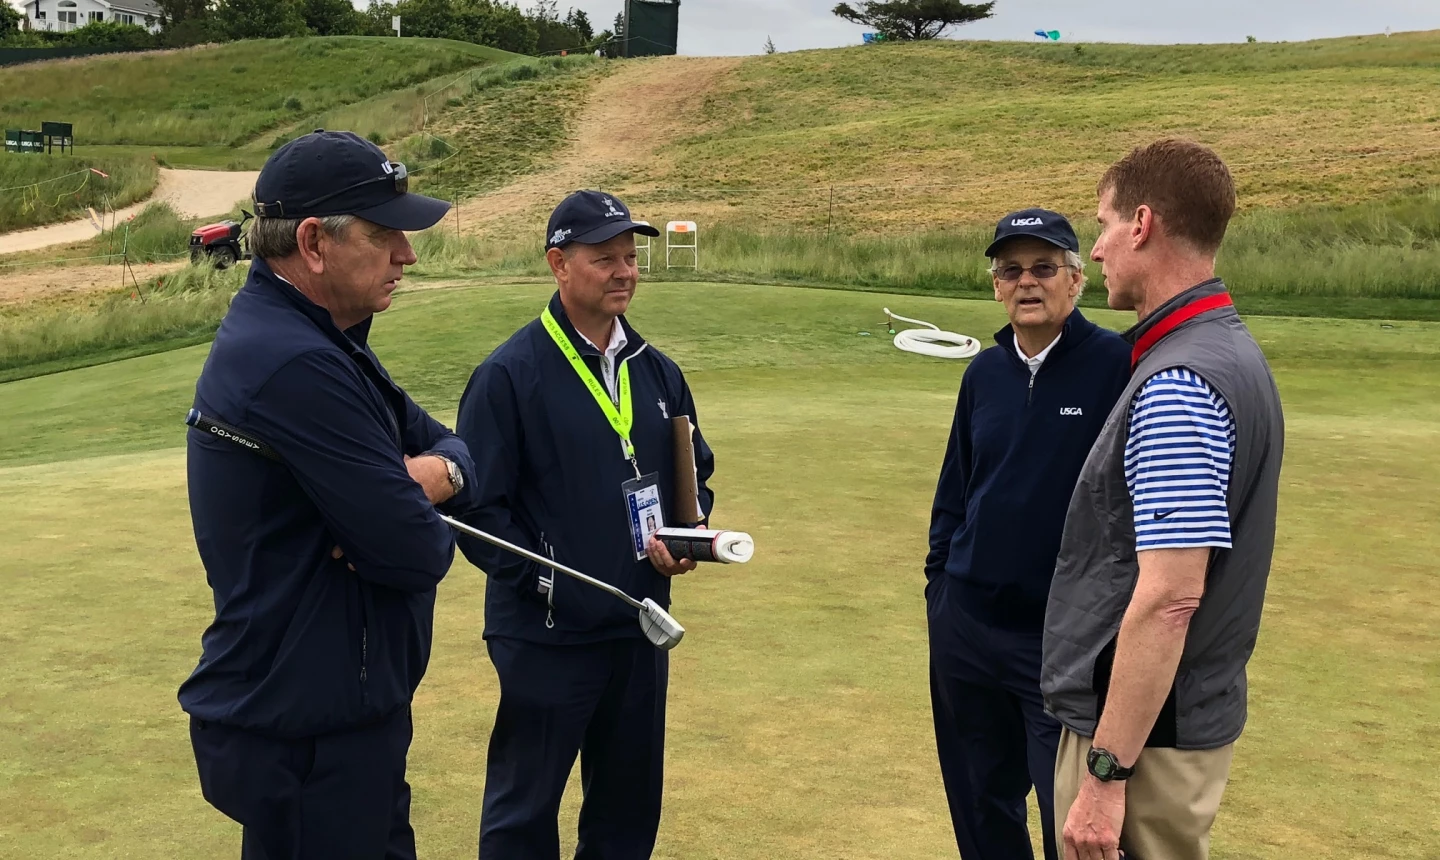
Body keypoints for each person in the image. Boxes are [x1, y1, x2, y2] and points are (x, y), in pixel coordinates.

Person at [180, 129, 476, 860]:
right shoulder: (293, 363)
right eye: (384, 235)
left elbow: (461, 446)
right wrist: (413, 500)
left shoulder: (330, 341)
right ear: (313, 242)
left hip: (341, 712)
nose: (407, 254)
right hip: (308, 734)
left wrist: (429, 476)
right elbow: (415, 550)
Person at [453, 189, 715, 860]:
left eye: (631, 257)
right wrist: (547, 583)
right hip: (546, 637)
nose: (625, 271)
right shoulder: (510, 375)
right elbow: (477, 509)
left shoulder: (657, 371)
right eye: (605, 258)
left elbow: (693, 472)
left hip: (639, 624)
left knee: (627, 811)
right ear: (558, 264)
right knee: (523, 815)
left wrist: (689, 535)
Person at [1042, 138, 1285, 860]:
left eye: (1104, 224)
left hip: (1145, 746)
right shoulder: (1224, 349)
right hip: (1174, 725)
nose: (1098, 247)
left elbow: (1172, 596)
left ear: (1141, 225)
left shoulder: (1181, 384)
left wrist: (1107, 774)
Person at [925, 209, 1131, 860]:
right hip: (968, 629)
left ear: (1077, 281)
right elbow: (954, 496)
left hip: (1063, 644)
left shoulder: (1116, 366)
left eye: (1044, 267)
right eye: (1010, 270)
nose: (1027, 282)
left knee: (1073, 824)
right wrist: (941, 595)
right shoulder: (983, 375)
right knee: (983, 811)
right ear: (995, 286)